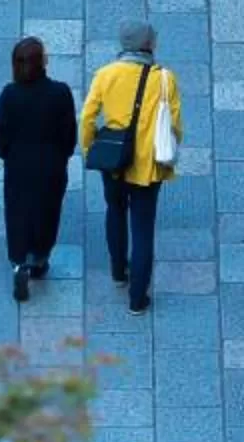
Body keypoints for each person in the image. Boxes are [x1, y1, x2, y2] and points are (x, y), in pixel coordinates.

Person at [79, 21, 185, 314]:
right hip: (148, 166)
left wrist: (91, 150)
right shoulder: (164, 79)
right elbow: (175, 125)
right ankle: (138, 299)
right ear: (148, 45)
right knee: (143, 229)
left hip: (113, 160)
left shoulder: (105, 74)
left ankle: (117, 271)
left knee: (114, 210)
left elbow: (87, 118)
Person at [0, 36, 78, 303]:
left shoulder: (10, 94)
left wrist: (7, 155)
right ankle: (39, 260)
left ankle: (19, 261)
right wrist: (62, 155)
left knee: (18, 212)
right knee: (47, 212)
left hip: (18, 166)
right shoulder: (60, 93)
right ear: (42, 62)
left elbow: (0, 134)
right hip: (51, 165)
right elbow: (69, 134)